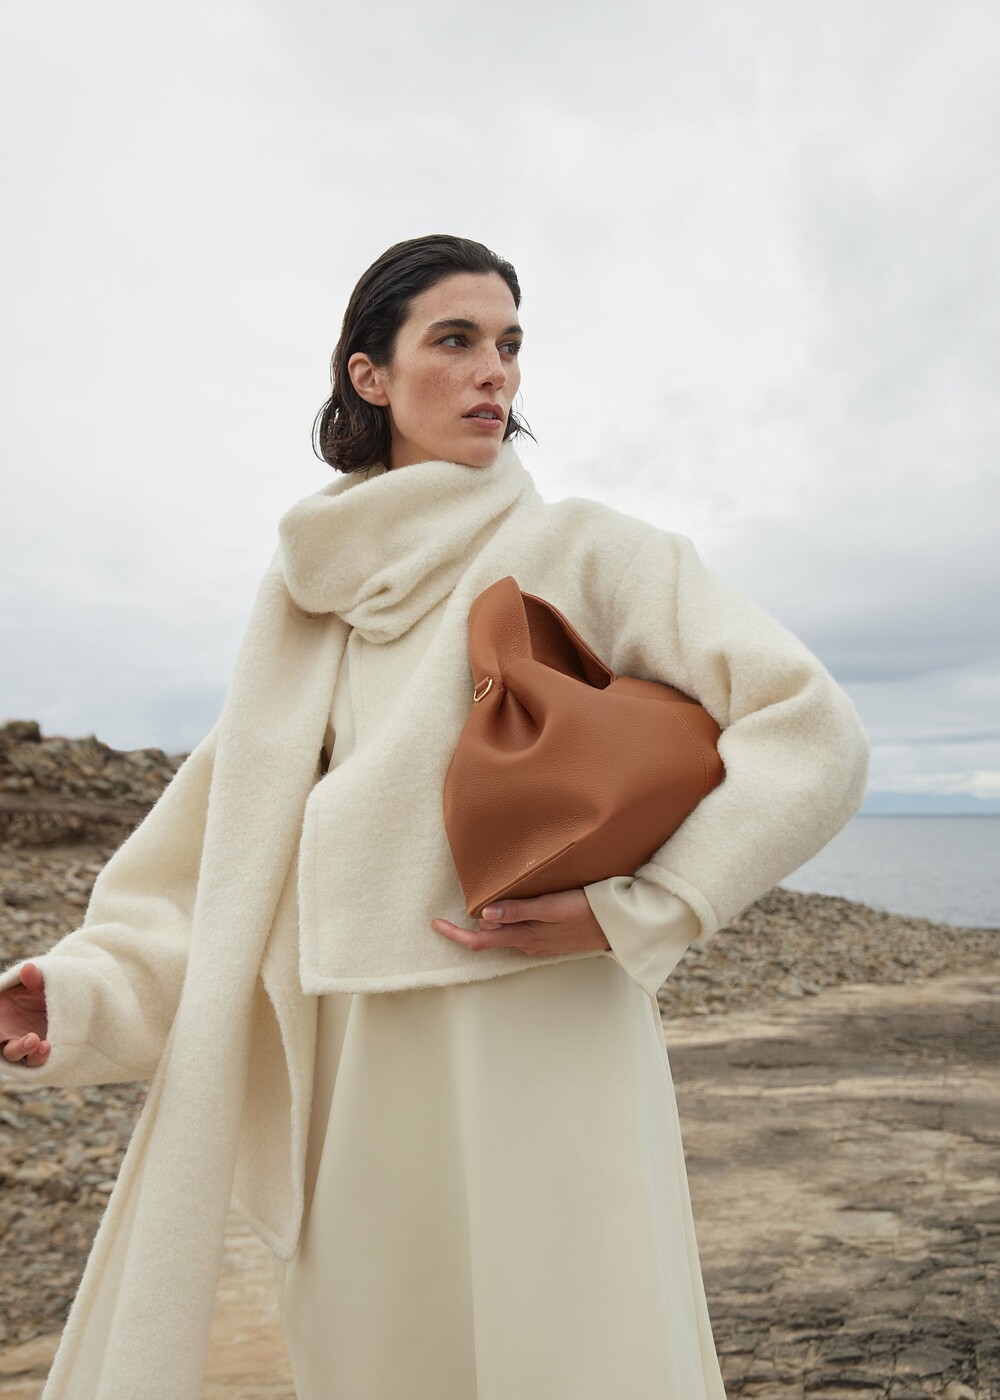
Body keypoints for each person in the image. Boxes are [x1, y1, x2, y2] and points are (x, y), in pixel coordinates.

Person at [0, 234, 870, 1400]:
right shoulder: (309, 602)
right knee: (381, 1362)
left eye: (508, 344)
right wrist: (77, 998)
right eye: (455, 340)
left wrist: (644, 905)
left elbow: (811, 733)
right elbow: (220, 871)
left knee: (580, 1357)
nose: (493, 370)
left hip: (545, 1042)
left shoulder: (586, 549)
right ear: (369, 374)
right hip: (356, 1076)